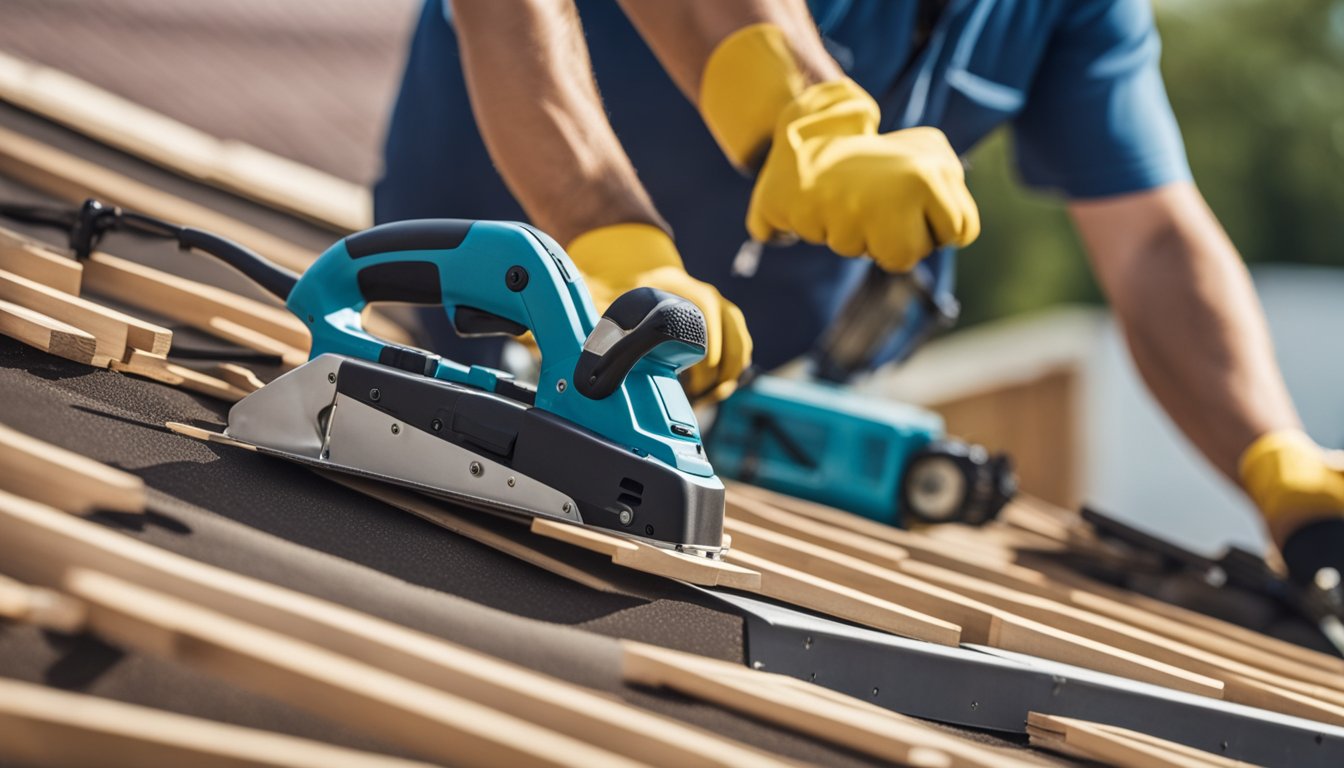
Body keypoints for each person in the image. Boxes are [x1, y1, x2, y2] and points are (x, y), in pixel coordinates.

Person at [375, 0, 1344, 584]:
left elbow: (1153, 239)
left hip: (726, 406)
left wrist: (1274, 457)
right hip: (459, 328)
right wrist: (612, 247)